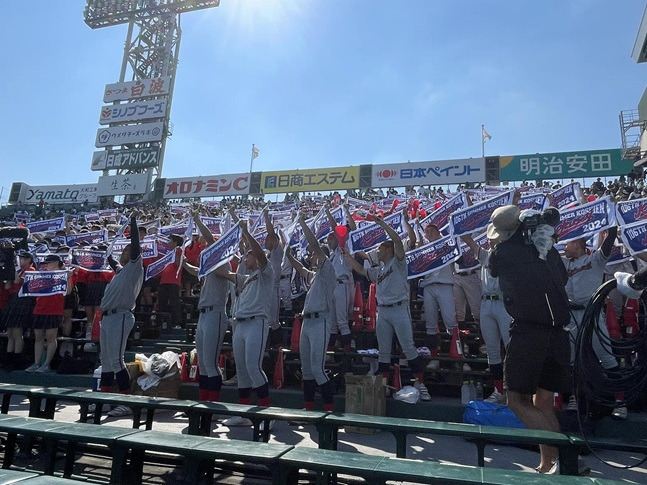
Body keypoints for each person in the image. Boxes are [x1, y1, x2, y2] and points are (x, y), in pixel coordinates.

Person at [488, 205, 573, 474]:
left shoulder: (504, 253)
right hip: (559, 334)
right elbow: (563, 277)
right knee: (543, 402)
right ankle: (551, 463)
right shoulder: (548, 250)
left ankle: (564, 458)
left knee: (516, 400)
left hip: (529, 333)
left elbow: (493, 266)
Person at [344, 211, 430, 401]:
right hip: (383, 311)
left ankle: (421, 384)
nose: (378, 251)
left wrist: (382, 224)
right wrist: (347, 255)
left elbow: (398, 242)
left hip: (399, 308)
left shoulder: (398, 262)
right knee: (383, 350)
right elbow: (360, 270)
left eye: (381, 248)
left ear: (388, 250)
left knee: (408, 347)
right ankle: (382, 387)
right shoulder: (380, 269)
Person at [221, 219, 275, 427]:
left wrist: (245, 231)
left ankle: (265, 415)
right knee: (242, 370)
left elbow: (260, 255)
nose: (246, 256)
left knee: (253, 367)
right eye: (245, 255)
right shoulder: (246, 277)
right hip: (241, 324)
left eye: (248, 254)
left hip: (256, 322)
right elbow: (224, 273)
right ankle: (243, 415)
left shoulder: (265, 271)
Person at [285, 212, 337, 411]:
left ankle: (329, 408)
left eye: (314, 254)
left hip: (321, 320)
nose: (311, 256)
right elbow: (300, 268)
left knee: (317, 368)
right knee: (306, 369)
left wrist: (303, 224)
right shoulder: (315, 275)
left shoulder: (327, 271)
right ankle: (309, 407)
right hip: (308, 321)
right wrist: (288, 253)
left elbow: (314, 244)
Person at [98, 211, 144, 417]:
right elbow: (111, 260)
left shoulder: (135, 267)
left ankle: (125, 402)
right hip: (108, 317)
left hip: (121, 316)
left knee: (116, 360)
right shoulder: (121, 271)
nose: (123, 251)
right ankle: (104, 401)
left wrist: (132, 222)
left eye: (125, 249)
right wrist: (104, 248)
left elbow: (135, 246)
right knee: (106, 362)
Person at [182, 209, 229, 403]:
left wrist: (197, 220)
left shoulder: (222, 261)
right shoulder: (209, 266)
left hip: (216, 313)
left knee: (210, 363)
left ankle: (213, 404)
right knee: (202, 362)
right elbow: (196, 271)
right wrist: (183, 262)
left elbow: (210, 240)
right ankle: (203, 402)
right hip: (204, 314)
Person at [460, 233, 510, 404]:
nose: (490, 239)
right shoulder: (485, 255)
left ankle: (514, 392)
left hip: (503, 302)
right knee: (492, 350)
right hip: (486, 302)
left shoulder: (508, 252)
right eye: (489, 236)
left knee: (511, 347)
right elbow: (468, 240)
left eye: (494, 236)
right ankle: (499, 390)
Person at [418, 223, 460, 371]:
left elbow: (457, 256)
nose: (427, 234)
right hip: (429, 285)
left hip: (445, 284)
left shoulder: (447, 245)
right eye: (426, 231)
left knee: (450, 321)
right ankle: (434, 358)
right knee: (430, 323)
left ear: (436, 231)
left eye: (430, 231)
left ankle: (456, 354)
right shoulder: (424, 249)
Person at [26, 254, 71, 373]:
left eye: (49, 263)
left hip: (54, 309)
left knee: (51, 337)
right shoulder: (41, 274)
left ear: (56, 262)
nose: (46, 265)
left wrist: (68, 278)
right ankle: (36, 363)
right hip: (40, 308)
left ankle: (46, 364)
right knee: (39, 337)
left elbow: (69, 291)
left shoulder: (64, 273)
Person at [324, 204, 356, 353]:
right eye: (328, 240)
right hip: (332, 287)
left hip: (342, 284)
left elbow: (335, 228)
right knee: (332, 324)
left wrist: (328, 212)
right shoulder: (331, 255)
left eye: (331, 239)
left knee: (342, 321)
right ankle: (330, 351)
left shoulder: (343, 248)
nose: (329, 241)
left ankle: (348, 350)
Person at [2, 250, 36, 371]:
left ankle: (16, 358)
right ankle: (9, 357)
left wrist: (12, 266)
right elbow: (8, 286)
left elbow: (17, 281)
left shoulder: (30, 270)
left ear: (28, 260)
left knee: (17, 332)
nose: (20, 260)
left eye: (22, 258)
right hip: (13, 300)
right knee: (10, 332)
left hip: (22, 300)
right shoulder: (19, 270)